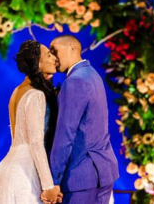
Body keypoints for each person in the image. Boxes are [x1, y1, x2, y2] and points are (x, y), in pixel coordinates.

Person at [45, 35, 119, 204]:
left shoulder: (75, 81)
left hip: (81, 177)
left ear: (72, 48)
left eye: (54, 50)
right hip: (103, 172)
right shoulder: (92, 74)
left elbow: (65, 134)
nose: (53, 57)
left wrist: (54, 180)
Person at [0, 40, 63, 204]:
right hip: (24, 172)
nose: (54, 59)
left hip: (6, 168)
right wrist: (48, 185)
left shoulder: (18, 91)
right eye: (49, 55)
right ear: (37, 62)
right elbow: (35, 143)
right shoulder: (36, 94)